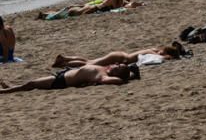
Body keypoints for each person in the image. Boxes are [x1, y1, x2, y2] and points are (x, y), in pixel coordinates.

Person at [0, 63, 140, 93]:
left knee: (31, 84)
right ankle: (11, 87)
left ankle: (4, 91)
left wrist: (125, 79)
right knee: (31, 82)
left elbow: (117, 81)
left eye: (118, 66)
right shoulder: (105, 69)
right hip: (64, 73)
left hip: (61, 81)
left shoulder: (103, 75)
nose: (115, 64)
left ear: (116, 72)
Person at [53, 42, 186, 68]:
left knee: (90, 61)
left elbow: (163, 53)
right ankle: (65, 64)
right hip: (120, 57)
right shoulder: (153, 53)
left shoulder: (153, 49)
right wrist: (173, 56)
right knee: (89, 64)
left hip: (120, 55)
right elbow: (164, 57)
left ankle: (65, 59)